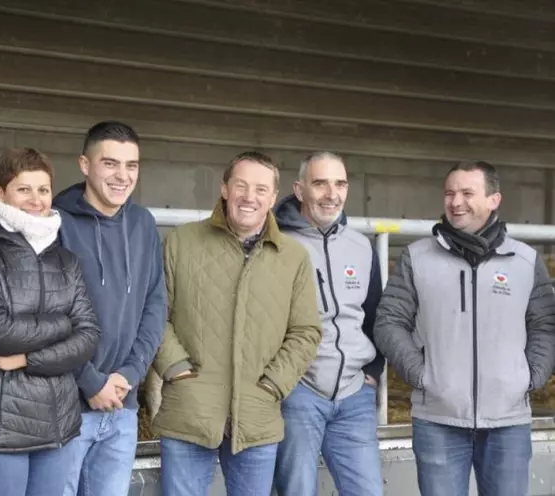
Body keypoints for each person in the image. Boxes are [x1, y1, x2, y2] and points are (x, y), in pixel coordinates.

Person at [374, 160, 555, 496]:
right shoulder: (417, 257)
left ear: (493, 200)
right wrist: (421, 375)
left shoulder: (525, 261)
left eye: (467, 193)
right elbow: (389, 321)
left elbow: (546, 324)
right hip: (438, 420)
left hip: (508, 421)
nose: (455, 202)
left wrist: (530, 376)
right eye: (449, 193)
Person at [152, 151, 323, 496]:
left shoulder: (293, 257)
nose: (250, 197)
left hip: (257, 412)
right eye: (241, 186)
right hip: (190, 408)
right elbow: (155, 315)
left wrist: (274, 384)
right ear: (225, 189)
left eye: (261, 189)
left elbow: (306, 332)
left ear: (273, 198)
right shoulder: (180, 242)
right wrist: (176, 369)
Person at [0, 148, 100, 496]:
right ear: (0, 193)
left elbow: (89, 335)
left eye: (43, 190)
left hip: (57, 426)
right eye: (24, 189)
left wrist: (27, 359)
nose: (36, 200)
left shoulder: (64, 258)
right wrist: (63, 324)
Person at [51, 121, 166, 496]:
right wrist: (91, 381)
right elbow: (48, 316)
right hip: (66, 407)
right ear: (85, 164)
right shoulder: (55, 223)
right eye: (110, 163)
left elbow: (155, 303)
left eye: (131, 165)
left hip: (122, 405)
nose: (122, 175)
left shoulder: (144, 223)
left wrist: (129, 374)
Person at [273, 151, 385, 496]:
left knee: (368, 491)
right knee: (296, 491)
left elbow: (375, 313)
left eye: (340, 184)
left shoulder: (361, 246)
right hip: (299, 393)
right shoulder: (275, 242)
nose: (331, 193)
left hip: (354, 393)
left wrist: (375, 370)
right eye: (320, 183)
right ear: (299, 189)